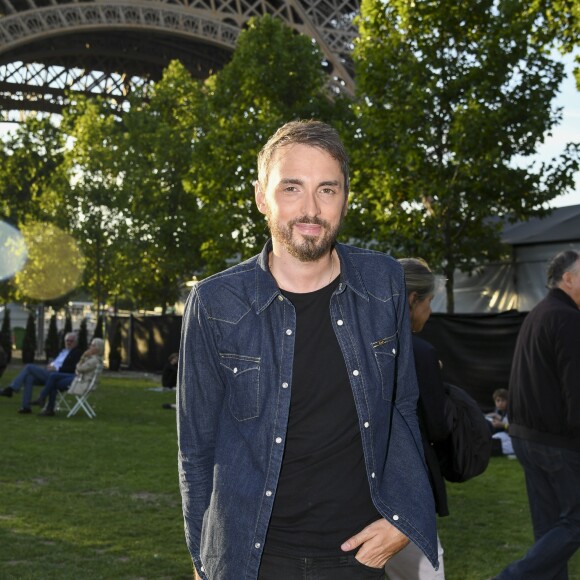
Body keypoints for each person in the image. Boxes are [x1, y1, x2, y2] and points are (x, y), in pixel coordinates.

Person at [177, 120, 437, 580]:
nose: (311, 209)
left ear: (345, 197)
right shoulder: (216, 302)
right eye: (292, 187)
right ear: (262, 197)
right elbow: (196, 448)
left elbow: (403, 408)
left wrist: (405, 518)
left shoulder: (384, 283)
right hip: (252, 559)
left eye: (327, 190)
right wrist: (204, 562)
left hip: (358, 555)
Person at [494, 250, 580, 580]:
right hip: (555, 441)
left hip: (529, 437)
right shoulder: (567, 318)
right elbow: (576, 386)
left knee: (550, 531)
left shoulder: (540, 313)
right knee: (575, 521)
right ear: (567, 279)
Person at [384, 258, 450, 580]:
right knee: (424, 568)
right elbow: (437, 426)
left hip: (356, 486)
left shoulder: (359, 346)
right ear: (413, 300)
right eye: (429, 301)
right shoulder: (419, 353)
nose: (430, 311)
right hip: (406, 483)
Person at [0, 331, 82, 414]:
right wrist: (50, 365)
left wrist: (57, 369)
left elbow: (73, 368)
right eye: (67, 340)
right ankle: (26, 407)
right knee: (29, 378)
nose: (69, 342)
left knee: (29, 366)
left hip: (57, 375)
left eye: (71, 341)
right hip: (48, 373)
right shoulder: (61, 351)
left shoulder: (77, 353)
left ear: (76, 342)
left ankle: (12, 388)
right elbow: (54, 362)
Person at [34, 337, 104, 417]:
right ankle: (44, 401)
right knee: (53, 376)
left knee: (53, 381)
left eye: (93, 346)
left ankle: (46, 404)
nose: (90, 347)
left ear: (98, 348)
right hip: (79, 378)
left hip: (81, 382)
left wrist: (83, 357)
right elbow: (79, 369)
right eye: (91, 345)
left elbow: (79, 368)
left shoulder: (93, 361)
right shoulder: (95, 359)